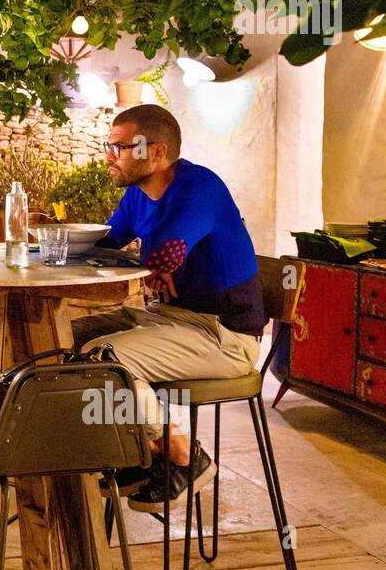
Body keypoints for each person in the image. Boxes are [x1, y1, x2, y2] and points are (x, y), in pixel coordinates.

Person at [77, 103, 265, 511]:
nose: (108, 156)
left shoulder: (198, 188)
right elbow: (105, 246)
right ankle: (135, 453)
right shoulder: (137, 195)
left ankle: (181, 453)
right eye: (108, 145)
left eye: (119, 147)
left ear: (157, 152)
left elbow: (162, 254)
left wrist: (148, 263)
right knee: (67, 338)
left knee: (100, 359)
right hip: (169, 317)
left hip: (224, 335)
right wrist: (54, 242)